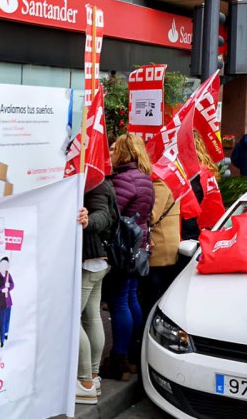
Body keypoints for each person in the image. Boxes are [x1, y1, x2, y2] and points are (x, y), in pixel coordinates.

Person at [105, 134, 154, 380]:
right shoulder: (145, 178)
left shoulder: (123, 180)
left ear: (123, 152)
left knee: (120, 301)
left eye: (114, 150)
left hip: (124, 250)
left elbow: (115, 215)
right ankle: (133, 356)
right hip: (140, 247)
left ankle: (119, 359)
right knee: (132, 297)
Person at [75, 178, 116, 405]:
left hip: (89, 260)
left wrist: (88, 221)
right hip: (97, 261)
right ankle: (92, 377)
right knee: (92, 317)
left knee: (73, 319)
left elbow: (103, 214)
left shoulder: (95, 182)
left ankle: (85, 383)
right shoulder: (100, 180)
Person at [139, 178, 180, 333]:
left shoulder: (160, 184)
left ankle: (149, 333)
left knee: (152, 296)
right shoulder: (162, 182)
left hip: (160, 248)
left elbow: (152, 216)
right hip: (160, 246)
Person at [0, 257, 15, 348]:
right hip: (1, 304)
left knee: (7, 320)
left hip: (8, 302)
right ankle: (1, 340)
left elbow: (12, 285)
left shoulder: (9, 275)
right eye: (2, 264)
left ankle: (6, 333)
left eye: (5, 265)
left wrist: (9, 287)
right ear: (0, 266)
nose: (3, 266)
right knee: (2, 322)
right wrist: (2, 290)